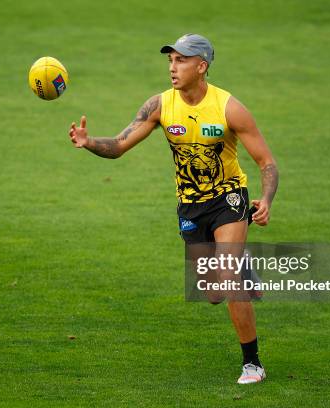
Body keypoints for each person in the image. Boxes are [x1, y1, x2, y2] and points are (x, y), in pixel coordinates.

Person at [68, 33, 278, 385]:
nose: (172, 67)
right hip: (190, 206)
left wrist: (267, 200)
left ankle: (252, 363)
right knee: (212, 293)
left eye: (180, 60)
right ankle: (241, 263)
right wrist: (89, 143)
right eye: (170, 60)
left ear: (202, 66)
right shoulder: (161, 105)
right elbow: (119, 145)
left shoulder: (229, 108)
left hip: (229, 196)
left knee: (227, 281)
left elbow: (266, 162)